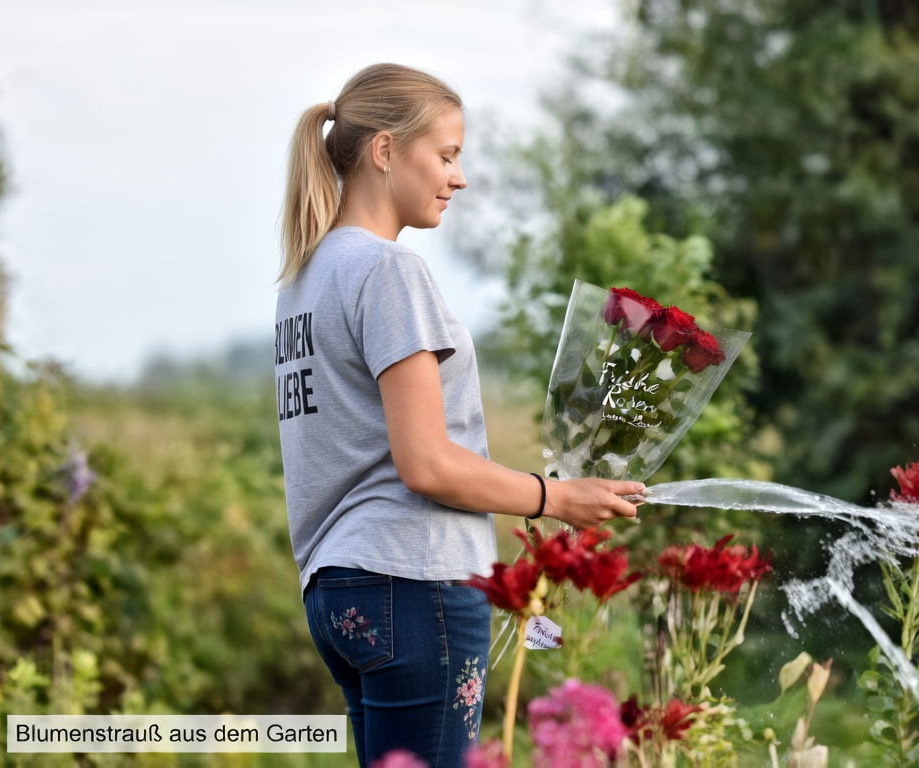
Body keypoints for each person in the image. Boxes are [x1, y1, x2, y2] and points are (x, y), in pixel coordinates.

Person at [273, 63, 643, 768]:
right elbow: (427, 464)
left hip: (338, 590)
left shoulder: (306, 276)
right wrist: (555, 498)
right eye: (446, 155)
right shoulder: (387, 272)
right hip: (414, 586)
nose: (459, 177)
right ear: (384, 151)